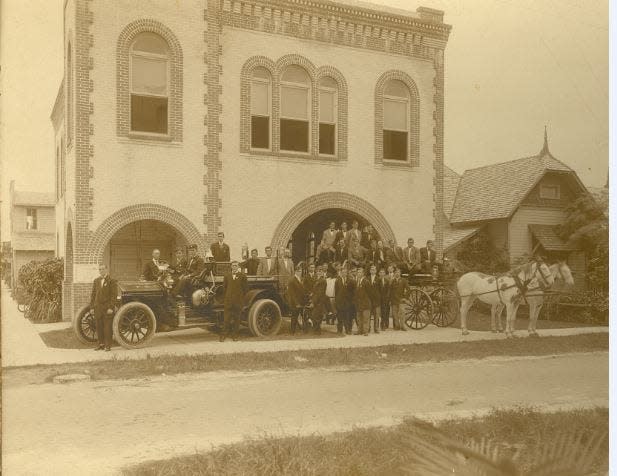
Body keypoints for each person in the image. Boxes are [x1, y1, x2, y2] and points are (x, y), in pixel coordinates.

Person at [90, 263, 117, 351]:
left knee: (107, 327)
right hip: (98, 307)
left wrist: (111, 307)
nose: (101, 271)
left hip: (107, 308)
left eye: (103, 269)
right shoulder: (96, 280)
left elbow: (114, 296)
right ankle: (100, 344)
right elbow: (93, 295)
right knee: (99, 327)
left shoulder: (111, 281)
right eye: (100, 269)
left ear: (106, 270)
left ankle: (108, 345)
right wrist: (92, 307)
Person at [220, 261, 248, 342]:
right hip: (228, 301)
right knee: (226, 320)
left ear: (238, 266)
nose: (234, 267)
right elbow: (224, 288)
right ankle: (223, 336)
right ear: (231, 267)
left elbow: (245, 289)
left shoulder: (242, 276)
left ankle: (235, 335)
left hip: (238, 302)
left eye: (236, 265)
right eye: (233, 265)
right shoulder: (227, 276)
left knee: (237, 319)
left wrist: (240, 298)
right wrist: (226, 298)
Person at [286, 264, 307, 335]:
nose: (299, 272)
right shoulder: (292, 280)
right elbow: (292, 294)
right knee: (294, 317)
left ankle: (304, 331)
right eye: (298, 271)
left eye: (300, 271)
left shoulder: (301, 279)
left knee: (304, 317)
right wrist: (296, 303)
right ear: (295, 271)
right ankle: (292, 332)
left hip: (302, 302)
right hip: (295, 303)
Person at [335, 266, 355, 335]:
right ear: (341, 273)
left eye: (345, 272)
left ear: (347, 273)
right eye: (342, 272)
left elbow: (353, 291)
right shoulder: (338, 280)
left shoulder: (350, 281)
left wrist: (351, 300)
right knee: (339, 316)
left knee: (347, 316)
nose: (344, 274)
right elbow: (336, 292)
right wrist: (337, 301)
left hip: (347, 302)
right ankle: (339, 330)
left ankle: (348, 330)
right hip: (340, 301)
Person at [311, 266, 328, 335]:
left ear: (322, 272)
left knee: (316, 316)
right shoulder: (317, 280)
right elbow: (315, 291)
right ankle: (316, 331)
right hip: (316, 300)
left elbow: (319, 293)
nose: (319, 272)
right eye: (318, 271)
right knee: (315, 316)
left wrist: (313, 302)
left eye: (320, 271)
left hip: (319, 301)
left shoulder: (322, 281)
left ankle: (317, 331)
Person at [354, 267, 371, 336]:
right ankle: (359, 330)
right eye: (358, 272)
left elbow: (370, 293)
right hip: (358, 303)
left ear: (363, 274)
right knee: (359, 318)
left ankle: (365, 331)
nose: (358, 274)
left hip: (365, 303)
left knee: (365, 318)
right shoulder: (357, 282)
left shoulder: (366, 282)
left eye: (360, 272)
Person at [366, 264, 381, 333]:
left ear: (376, 271)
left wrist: (379, 298)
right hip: (369, 299)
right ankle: (368, 328)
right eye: (371, 269)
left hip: (376, 300)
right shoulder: (367, 278)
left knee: (376, 315)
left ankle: (376, 328)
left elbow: (381, 290)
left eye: (374, 269)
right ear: (369, 271)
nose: (372, 271)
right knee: (368, 315)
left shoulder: (379, 279)